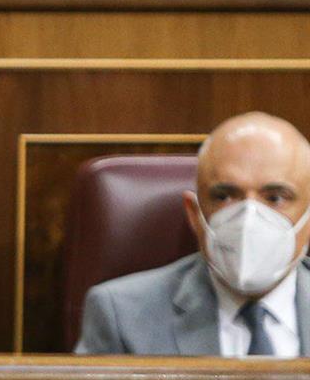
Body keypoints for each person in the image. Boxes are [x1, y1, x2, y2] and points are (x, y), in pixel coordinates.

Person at [76, 111, 310, 356]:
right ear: (194, 214)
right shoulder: (120, 315)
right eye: (224, 196)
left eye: (275, 198)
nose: (249, 217)